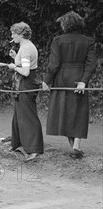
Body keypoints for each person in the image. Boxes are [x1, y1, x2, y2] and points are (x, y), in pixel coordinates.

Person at [42, 11, 98, 159]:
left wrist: (46, 81)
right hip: (78, 79)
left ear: (65, 25)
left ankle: (74, 147)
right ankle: (75, 147)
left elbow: (54, 64)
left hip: (61, 80)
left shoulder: (58, 40)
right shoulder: (88, 41)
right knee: (79, 112)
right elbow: (92, 64)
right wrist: (84, 82)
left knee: (64, 112)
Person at [0, 22, 44, 161]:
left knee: (28, 115)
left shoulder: (27, 48)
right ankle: (17, 143)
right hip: (22, 84)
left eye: (13, 34)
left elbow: (26, 71)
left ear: (21, 34)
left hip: (26, 84)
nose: (12, 36)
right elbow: (23, 63)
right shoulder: (24, 47)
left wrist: (13, 67)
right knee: (18, 114)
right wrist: (15, 57)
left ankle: (34, 149)